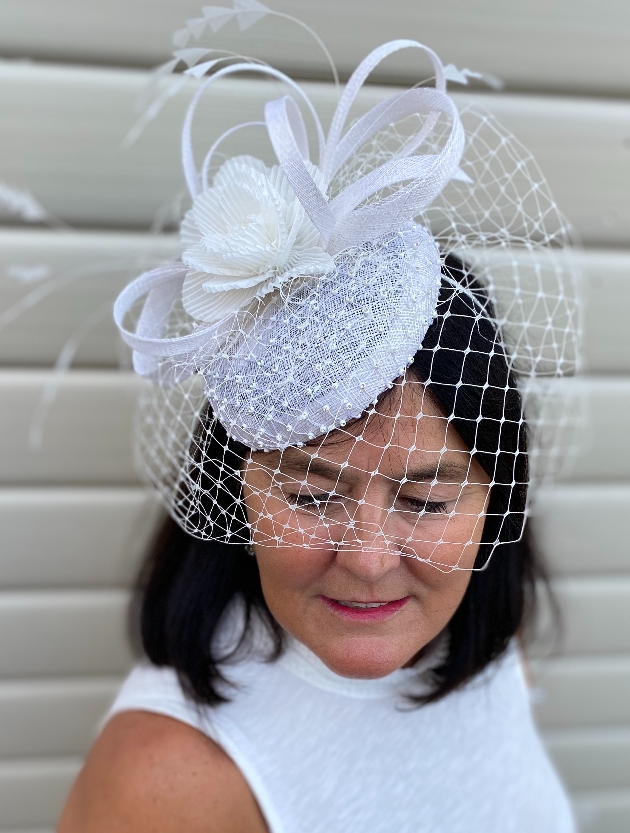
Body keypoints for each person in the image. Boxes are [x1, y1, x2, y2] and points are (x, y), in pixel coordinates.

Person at [58, 8, 579, 831]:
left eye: (427, 500)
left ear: (494, 502)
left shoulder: (472, 636)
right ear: (236, 488)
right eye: (311, 494)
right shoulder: (165, 781)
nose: (370, 561)